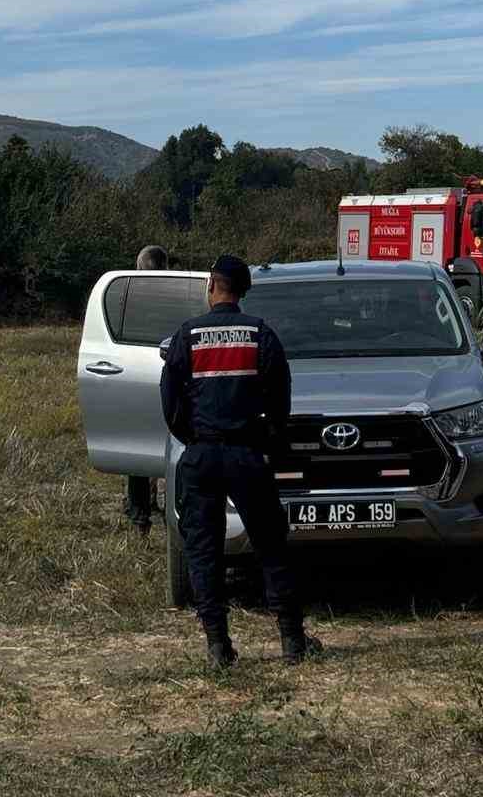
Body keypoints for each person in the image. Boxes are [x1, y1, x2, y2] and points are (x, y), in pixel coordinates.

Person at [160, 254, 321, 669]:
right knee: (271, 545)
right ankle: (292, 641)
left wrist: (192, 438)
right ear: (244, 291)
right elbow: (280, 401)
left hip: (202, 454)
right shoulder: (260, 335)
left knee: (204, 550)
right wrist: (265, 439)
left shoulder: (187, 335)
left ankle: (217, 646)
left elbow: (170, 400)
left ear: (213, 286)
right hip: (247, 454)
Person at [125, 243, 170, 534]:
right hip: (170, 374)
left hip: (138, 375)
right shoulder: (172, 295)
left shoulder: (130, 296)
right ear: (165, 266)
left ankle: (140, 512)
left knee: (138, 446)